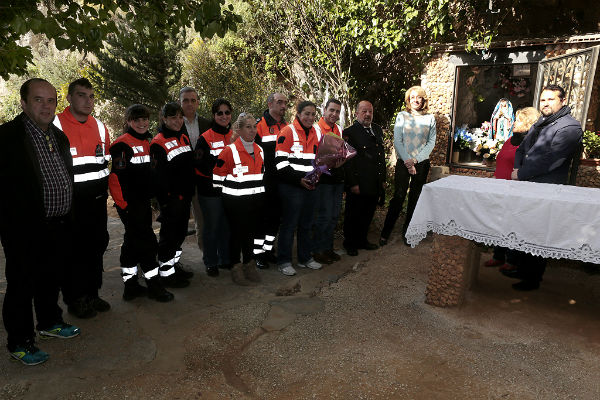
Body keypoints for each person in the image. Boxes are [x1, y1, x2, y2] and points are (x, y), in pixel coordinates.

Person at [0, 78, 80, 366]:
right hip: (23, 228)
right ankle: (19, 342)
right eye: (38, 99)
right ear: (23, 102)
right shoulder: (7, 137)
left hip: (58, 223)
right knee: (22, 284)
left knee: (50, 276)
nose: (46, 106)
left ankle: (49, 323)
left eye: (51, 100)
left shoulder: (57, 136)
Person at [508, 84, 583, 291]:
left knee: (538, 234)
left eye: (551, 99)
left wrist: (521, 173)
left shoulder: (570, 127)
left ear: (563, 101)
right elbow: (522, 149)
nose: (546, 103)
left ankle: (532, 279)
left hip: (547, 188)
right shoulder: (541, 122)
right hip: (527, 185)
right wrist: (517, 169)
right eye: (543, 99)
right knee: (524, 228)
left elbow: (553, 160)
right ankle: (521, 269)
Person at [53, 78, 110, 319]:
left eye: (91, 96)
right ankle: (76, 299)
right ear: (69, 98)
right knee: (73, 252)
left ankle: (92, 294)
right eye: (81, 95)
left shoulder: (99, 127)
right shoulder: (55, 124)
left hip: (96, 201)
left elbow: (104, 164)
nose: (87, 101)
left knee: (96, 248)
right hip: (69, 204)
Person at [108, 105, 174, 302]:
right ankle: (154, 286)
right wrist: (124, 206)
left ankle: (131, 287)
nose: (142, 123)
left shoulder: (146, 142)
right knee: (147, 244)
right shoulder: (121, 145)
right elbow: (115, 180)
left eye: (144, 119)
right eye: (136, 120)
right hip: (130, 205)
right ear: (128, 122)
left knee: (131, 243)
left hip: (143, 203)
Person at [485, 107, 541, 272]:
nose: (514, 122)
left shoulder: (530, 144)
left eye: (518, 120)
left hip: (516, 190)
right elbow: (502, 161)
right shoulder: (510, 140)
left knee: (513, 225)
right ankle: (498, 256)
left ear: (527, 123)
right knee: (499, 223)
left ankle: (512, 260)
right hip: (500, 188)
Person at [380, 86, 436, 247]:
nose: (415, 100)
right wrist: (407, 161)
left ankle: (407, 232)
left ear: (423, 99)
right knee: (398, 196)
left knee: (415, 198)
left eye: (418, 97)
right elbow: (398, 141)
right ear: (408, 100)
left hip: (421, 163)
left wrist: (416, 161)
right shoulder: (402, 116)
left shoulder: (430, 118)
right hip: (403, 163)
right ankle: (386, 232)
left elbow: (431, 143)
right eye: (412, 97)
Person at [213, 113, 265, 285]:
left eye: (254, 126)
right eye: (248, 127)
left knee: (251, 233)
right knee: (237, 234)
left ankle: (249, 264)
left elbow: (260, 176)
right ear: (239, 129)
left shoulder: (260, 150)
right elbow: (218, 178)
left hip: (255, 201)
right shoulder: (229, 151)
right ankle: (236, 267)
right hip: (235, 202)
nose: (252, 130)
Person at [274, 100, 324, 276]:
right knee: (289, 224)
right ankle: (284, 261)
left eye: (313, 114)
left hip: (311, 186)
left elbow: (319, 161)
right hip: (291, 187)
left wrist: (319, 174)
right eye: (307, 114)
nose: (310, 117)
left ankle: (305, 258)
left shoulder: (317, 134)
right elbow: (280, 164)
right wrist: (298, 180)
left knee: (307, 224)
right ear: (298, 113)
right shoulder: (287, 132)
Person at [150, 102, 195, 289]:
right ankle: (167, 274)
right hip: (171, 200)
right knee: (169, 237)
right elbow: (158, 177)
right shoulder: (158, 142)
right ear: (164, 119)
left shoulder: (183, 136)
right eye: (173, 117)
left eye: (179, 117)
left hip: (185, 197)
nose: (177, 121)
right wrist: (165, 202)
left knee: (180, 233)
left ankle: (174, 265)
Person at [342, 100, 386, 256]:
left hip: (374, 181)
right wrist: (352, 183)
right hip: (359, 182)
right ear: (356, 113)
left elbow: (381, 156)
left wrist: (383, 179)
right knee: (353, 214)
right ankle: (350, 243)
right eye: (364, 111)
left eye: (370, 112)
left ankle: (362, 240)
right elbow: (348, 161)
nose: (368, 115)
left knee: (368, 213)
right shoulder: (349, 132)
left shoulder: (377, 130)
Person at [195, 99, 233, 276]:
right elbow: (201, 166)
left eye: (227, 112)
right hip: (210, 191)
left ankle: (225, 259)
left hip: (230, 190)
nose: (224, 116)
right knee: (212, 226)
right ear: (214, 115)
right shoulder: (205, 138)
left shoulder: (235, 135)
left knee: (227, 225)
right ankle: (211, 262)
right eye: (220, 113)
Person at [254, 93, 288, 268]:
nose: (283, 106)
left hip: (281, 181)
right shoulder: (259, 126)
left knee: (275, 218)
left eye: (285, 103)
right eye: (279, 102)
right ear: (269, 104)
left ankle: (268, 250)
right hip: (264, 181)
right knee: (262, 219)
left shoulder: (286, 125)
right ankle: (258, 255)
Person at [312, 99, 345, 265]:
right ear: (324, 110)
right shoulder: (316, 129)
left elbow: (341, 150)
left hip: (337, 178)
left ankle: (328, 248)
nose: (334, 114)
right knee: (323, 216)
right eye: (331, 110)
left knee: (333, 216)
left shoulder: (339, 128)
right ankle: (317, 250)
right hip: (323, 179)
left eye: (337, 111)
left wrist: (342, 159)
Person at [180, 87, 211, 254]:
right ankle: (172, 263)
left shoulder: (207, 124)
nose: (189, 103)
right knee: (177, 222)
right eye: (186, 100)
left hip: (201, 180)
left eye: (193, 100)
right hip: (181, 182)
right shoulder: (173, 124)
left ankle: (206, 255)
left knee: (202, 220)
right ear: (180, 102)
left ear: (198, 102)